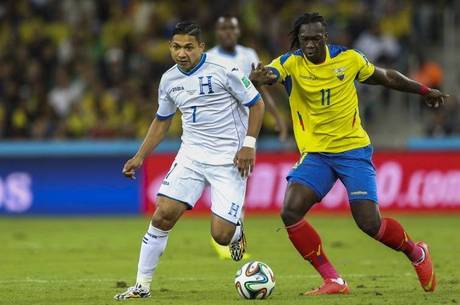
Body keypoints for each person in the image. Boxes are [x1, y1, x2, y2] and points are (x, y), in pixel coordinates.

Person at [250, 12, 448, 296]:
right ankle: (334, 280)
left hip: (353, 150)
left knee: (369, 223)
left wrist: (424, 90)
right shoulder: (290, 63)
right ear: (299, 40)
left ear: (325, 38)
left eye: (316, 39)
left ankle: (416, 252)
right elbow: (271, 73)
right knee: (290, 211)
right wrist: (262, 76)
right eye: (305, 39)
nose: (310, 45)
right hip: (317, 154)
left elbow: (387, 77)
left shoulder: (348, 59)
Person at [114, 21, 265, 300]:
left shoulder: (225, 71)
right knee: (162, 214)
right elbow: (161, 122)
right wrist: (139, 156)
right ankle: (141, 286)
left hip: (229, 161)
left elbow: (257, 104)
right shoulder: (169, 79)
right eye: (176, 47)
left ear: (201, 48)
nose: (181, 54)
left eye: (188, 48)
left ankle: (236, 231)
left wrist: (249, 145)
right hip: (191, 156)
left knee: (221, 235)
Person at [207, 15, 288, 260]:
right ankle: (224, 237)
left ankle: (232, 235)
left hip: (244, 128)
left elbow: (259, 89)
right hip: (217, 130)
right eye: (223, 28)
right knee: (221, 183)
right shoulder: (208, 58)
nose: (228, 33)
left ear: (238, 31)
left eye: (231, 28)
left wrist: (277, 117)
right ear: (217, 32)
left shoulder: (248, 55)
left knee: (238, 183)